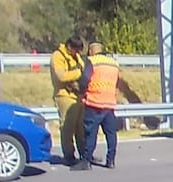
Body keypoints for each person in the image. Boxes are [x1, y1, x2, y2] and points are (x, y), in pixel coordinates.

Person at [72, 42, 122, 171]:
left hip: (94, 102)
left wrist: (80, 91)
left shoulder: (92, 61)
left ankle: (86, 161)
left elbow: (85, 80)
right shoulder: (114, 63)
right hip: (109, 103)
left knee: (90, 134)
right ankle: (111, 160)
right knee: (111, 134)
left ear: (91, 51)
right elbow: (117, 82)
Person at [50, 36, 86, 165]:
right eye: (76, 50)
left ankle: (85, 154)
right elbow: (61, 76)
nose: (78, 54)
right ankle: (69, 155)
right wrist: (78, 73)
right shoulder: (58, 56)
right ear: (69, 47)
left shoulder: (76, 57)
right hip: (65, 95)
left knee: (81, 127)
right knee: (67, 127)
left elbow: (83, 69)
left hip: (78, 96)